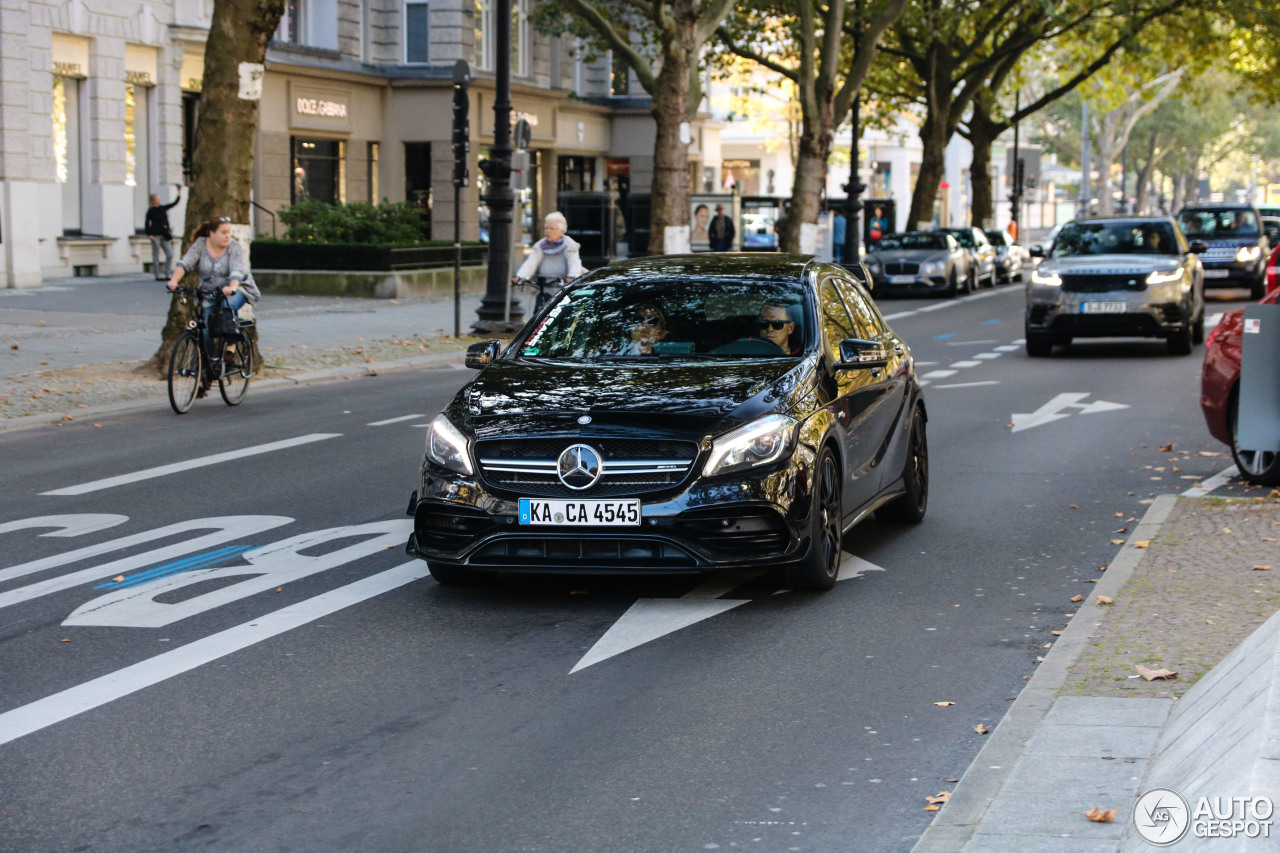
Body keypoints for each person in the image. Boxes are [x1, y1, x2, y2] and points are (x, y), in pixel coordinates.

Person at [167, 216, 261, 373]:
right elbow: (186, 263)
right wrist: (174, 281)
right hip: (209, 292)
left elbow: (236, 270)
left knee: (227, 305)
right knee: (205, 329)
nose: (227, 236)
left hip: (239, 287)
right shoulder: (201, 244)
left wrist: (232, 287)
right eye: (223, 232)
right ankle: (209, 367)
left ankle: (231, 344)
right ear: (211, 233)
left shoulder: (234, 247)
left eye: (229, 232)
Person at [514, 211, 583, 285]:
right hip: (544, 285)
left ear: (562, 231)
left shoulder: (569, 244)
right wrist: (520, 276)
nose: (548, 231)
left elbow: (574, 262)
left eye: (552, 228)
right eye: (546, 228)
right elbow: (531, 262)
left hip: (563, 286)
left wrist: (573, 276)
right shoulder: (540, 245)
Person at [144, 184, 183, 281]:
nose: (159, 200)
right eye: (157, 198)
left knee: (169, 254)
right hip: (155, 235)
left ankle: (168, 273)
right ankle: (157, 275)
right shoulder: (151, 211)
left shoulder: (163, 208)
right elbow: (146, 224)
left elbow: (174, 203)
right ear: (153, 201)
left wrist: (179, 193)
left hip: (165, 234)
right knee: (156, 255)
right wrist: (150, 235)